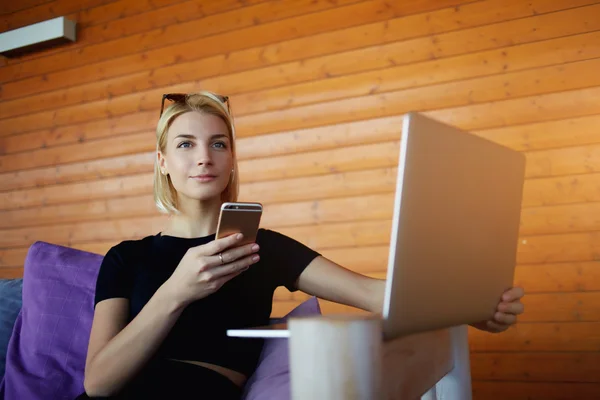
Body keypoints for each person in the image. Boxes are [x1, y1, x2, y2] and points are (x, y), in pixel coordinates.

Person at [76, 91, 525, 399]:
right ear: (163, 162)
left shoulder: (263, 249)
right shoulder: (126, 257)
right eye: (185, 144)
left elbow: (376, 294)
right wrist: (177, 290)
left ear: (231, 160)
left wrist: (471, 306)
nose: (203, 157)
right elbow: (97, 383)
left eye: (218, 143)